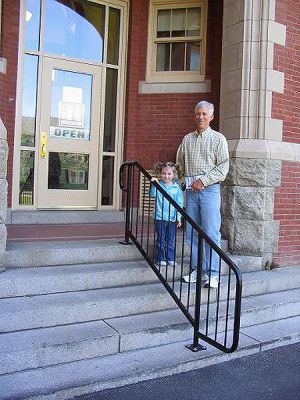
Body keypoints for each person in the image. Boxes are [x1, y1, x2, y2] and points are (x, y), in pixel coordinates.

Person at [176, 101, 229, 288]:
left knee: (211, 233)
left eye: (204, 114)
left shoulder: (218, 139)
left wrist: (203, 181)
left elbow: (223, 167)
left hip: (209, 191)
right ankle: (197, 270)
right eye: (198, 113)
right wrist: (182, 183)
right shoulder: (187, 139)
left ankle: (213, 274)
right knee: (192, 233)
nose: (200, 117)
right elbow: (179, 164)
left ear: (211, 117)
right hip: (191, 192)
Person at [149, 162, 184, 268]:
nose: (166, 176)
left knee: (170, 239)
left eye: (169, 174)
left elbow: (179, 203)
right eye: (164, 173)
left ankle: (170, 258)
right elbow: (152, 194)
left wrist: (179, 217)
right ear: (160, 173)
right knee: (161, 239)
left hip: (172, 218)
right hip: (160, 217)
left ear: (174, 175)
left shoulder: (176, 188)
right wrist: (154, 184)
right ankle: (161, 258)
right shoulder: (159, 185)